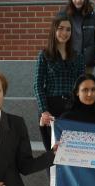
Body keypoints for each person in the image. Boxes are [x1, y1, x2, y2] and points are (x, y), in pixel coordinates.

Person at [34, 13, 85, 150]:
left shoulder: (78, 57)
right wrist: (44, 110)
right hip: (50, 108)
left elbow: (82, 86)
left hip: (71, 107)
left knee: (71, 153)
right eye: (61, 28)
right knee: (52, 154)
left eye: (68, 29)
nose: (64, 32)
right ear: (54, 30)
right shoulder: (44, 55)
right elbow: (37, 85)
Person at [61, 0, 95, 74]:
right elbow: (56, 34)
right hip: (68, 59)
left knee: (86, 85)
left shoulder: (94, 17)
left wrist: (94, 51)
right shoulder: (63, 15)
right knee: (72, 87)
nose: (78, 0)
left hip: (87, 61)